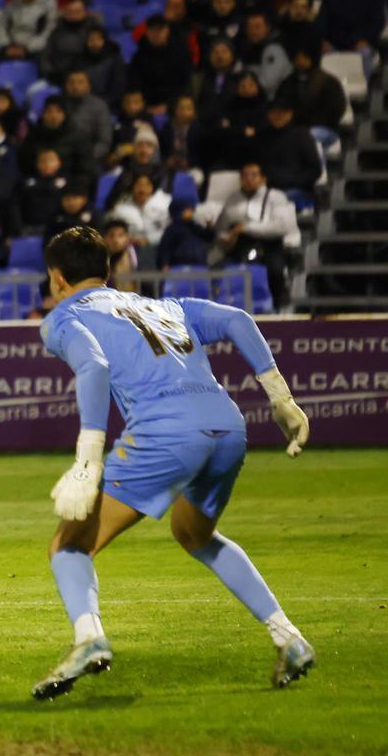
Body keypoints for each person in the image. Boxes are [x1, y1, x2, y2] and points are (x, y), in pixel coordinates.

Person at [31, 225, 313, 700]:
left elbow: (95, 367)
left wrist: (88, 458)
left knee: (69, 545)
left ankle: (89, 640)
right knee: (195, 533)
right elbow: (239, 319)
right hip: (227, 427)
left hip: (166, 433)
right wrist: (281, 399)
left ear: (56, 278)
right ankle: (290, 639)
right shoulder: (164, 305)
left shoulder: (61, 318)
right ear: (109, 270)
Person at [213, 162, 300, 309]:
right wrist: (227, 239)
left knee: (275, 271)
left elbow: (281, 227)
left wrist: (246, 228)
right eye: (245, 175)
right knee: (218, 270)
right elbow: (220, 229)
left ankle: (278, 305)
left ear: (263, 179)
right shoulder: (233, 200)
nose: (249, 179)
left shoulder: (276, 197)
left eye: (254, 175)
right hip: (241, 246)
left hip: (270, 246)